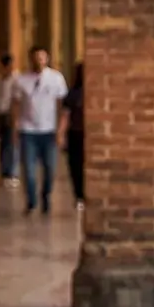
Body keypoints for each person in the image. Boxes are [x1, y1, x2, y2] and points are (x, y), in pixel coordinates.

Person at [12, 46, 68, 215]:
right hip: (28, 130)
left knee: (50, 168)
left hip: (49, 130)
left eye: (42, 58)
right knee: (29, 170)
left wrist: (61, 130)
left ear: (47, 59)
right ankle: (31, 200)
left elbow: (62, 106)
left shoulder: (56, 78)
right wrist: (15, 126)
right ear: (30, 59)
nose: (39, 61)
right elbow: (16, 105)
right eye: (36, 58)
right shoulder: (21, 80)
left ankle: (46, 195)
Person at [60, 61, 85, 210]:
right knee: (76, 166)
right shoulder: (73, 94)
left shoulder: (75, 93)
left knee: (79, 166)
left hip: (83, 134)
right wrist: (61, 134)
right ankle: (79, 195)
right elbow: (66, 115)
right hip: (76, 134)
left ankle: (81, 195)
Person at [0, 53, 19, 188]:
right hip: (0, 115)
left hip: (11, 115)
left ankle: (12, 173)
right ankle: (4, 171)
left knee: (11, 144)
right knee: (2, 145)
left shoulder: (16, 81)